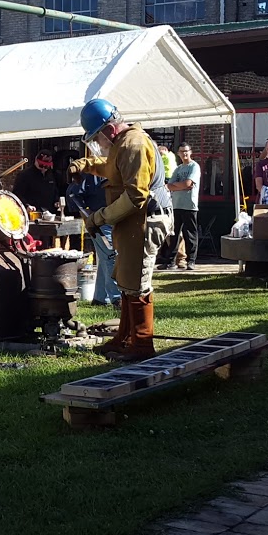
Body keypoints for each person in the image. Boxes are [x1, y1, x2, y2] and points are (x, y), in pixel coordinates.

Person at [70, 98, 173, 362]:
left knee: (137, 281)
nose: (99, 143)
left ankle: (142, 345)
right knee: (128, 278)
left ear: (108, 129)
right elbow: (112, 167)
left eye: (97, 137)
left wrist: (99, 217)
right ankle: (126, 338)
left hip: (146, 219)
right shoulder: (124, 143)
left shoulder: (133, 144)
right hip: (135, 220)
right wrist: (86, 165)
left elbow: (136, 195)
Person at [68, 170, 119, 308]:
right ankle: (117, 298)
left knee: (105, 259)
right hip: (100, 223)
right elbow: (73, 194)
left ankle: (100, 298)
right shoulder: (92, 174)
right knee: (111, 256)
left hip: (116, 221)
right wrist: (88, 215)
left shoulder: (118, 169)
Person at [159, 144, 201, 271]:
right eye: (182, 152)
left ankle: (191, 261)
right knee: (174, 235)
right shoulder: (178, 169)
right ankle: (170, 262)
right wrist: (181, 185)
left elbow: (188, 184)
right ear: (178, 154)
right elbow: (168, 185)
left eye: (186, 151)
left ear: (190, 152)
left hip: (189, 206)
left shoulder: (194, 166)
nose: (184, 154)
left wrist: (178, 186)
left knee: (190, 235)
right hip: (176, 205)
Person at [13, 148, 61, 217]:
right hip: (33, 213)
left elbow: (55, 190)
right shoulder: (24, 175)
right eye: (41, 165)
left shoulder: (52, 175)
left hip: (49, 213)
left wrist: (56, 201)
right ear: (36, 160)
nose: (43, 168)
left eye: (46, 166)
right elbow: (17, 193)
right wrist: (26, 205)